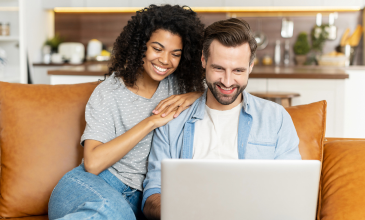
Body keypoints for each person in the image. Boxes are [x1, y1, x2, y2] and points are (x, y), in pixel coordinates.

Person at [48, 4, 205, 220]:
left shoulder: (179, 88)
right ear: (141, 46)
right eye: (157, 49)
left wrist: (195, 96)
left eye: (175, 54)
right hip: (91, 186)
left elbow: (223, 93)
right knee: (111, 211)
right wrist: (151, 122)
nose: (165, 61)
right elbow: (93, 163)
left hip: (141, 199)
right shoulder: (109, 92)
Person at [142, 18, 302, 220]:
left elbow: (292, 190)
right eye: (218, 68)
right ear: (203, 61)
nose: (227, 82)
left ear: (251, 66)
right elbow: (152, 196)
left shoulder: (276, 118)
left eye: (238, 70)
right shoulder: (172, 121)